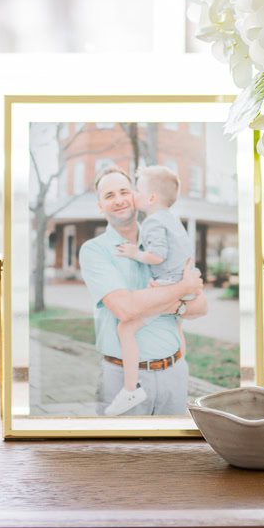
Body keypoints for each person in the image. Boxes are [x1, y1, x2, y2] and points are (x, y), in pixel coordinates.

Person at [78, 167, 206, 418]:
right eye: (109, 195)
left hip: (174, 373)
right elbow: (125, 309)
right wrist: (181, 291)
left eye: (124, 191)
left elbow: (202, 306)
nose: (119, 200)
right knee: (119, 456)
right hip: (121, 377)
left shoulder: (162, 237)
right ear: (100, 206)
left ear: (138, 195)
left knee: (174, 456)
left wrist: (176, 304)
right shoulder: (94, 250)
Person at [105, 163, 195, 416]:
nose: (133, 195)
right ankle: (180, 370)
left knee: (125, 328)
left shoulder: (154, 222)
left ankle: (131, 390)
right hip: (184, 283)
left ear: (151, 197)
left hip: (170, 284)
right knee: (176, 325)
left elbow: (157, 256)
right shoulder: (173, 220)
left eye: (137, 190)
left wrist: (135, 253)